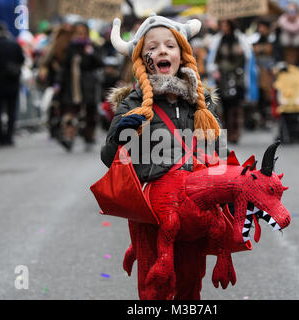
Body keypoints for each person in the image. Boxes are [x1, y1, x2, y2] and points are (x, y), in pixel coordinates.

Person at [99, 14, 225, 299]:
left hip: (194, 210)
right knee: (154, 286)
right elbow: (109, 159)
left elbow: (219, 154)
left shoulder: (199, 103)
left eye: (170, 45)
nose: (162, 51)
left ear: (182, 54)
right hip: (151, 213)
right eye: (153, 48)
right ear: (143, 60)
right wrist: (120, 133)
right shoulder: (132, 104)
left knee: (190, 285)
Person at [206, 19, 258, 143]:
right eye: (222, 25)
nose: (224, 27)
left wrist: (242, 54)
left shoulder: (240, 40)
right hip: (222, 78)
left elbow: (248, 58)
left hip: (237, 78)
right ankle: (225, 133)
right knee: (223, 105)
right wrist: (214, 70)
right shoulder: (218, 40)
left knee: (235, 106)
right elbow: (213, 59)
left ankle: (235, 132)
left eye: (226, 25)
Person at [57, 22, 103, 152]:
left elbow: (99, 63)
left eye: (83, 32)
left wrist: (90, 53)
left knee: (90, 114)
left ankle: (89, 137)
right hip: (73, 86)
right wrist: (58, 83)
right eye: (78, 32)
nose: (81, 35)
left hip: (89, 86)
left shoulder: (92, 46)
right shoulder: (70, 47)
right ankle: (69, 138)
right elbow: (64, 66)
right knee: (70, 113)